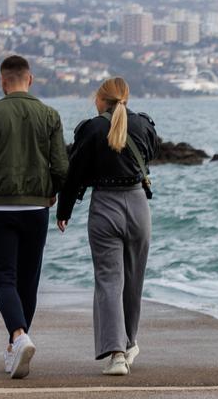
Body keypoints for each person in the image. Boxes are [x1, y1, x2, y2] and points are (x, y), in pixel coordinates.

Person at [0, 54, 69, 379]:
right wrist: (54, 195)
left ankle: (18, 337)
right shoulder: (49, 115)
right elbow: (61, 166)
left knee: (4, 279)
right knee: (28, 281)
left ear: (2, 81)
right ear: (31, 78)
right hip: (35, 207)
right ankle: (16, 346)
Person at [58, 76, 157, 376]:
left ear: (101, 100)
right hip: (139, 205)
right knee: (133, 279)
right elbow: (151, 154)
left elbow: (75, 173)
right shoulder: (144, 125)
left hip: (105, 207)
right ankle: (131, 342)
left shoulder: (91, 129)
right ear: (126, 98)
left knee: (109, 280)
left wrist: (64, 209)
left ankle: (117, 354)